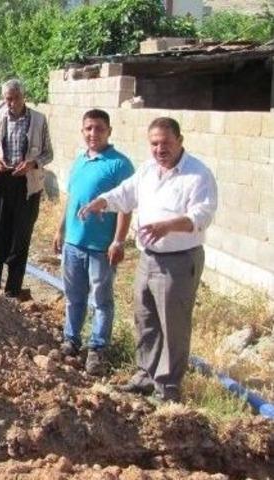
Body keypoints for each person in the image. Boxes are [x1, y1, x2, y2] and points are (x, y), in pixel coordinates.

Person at [78, 117, 218, 402]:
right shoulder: (147, 171)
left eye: (165, 143)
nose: (159, 149)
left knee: (173, 325)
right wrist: (100, 202)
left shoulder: (198, 174)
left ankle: (167, 388)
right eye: (154, 143)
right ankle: (144, 375)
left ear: (180, 140)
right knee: (145, 319)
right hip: (148, 257)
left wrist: (168, 225)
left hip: (178, 261)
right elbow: (124, 194)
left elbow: (202, 215)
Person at [53, 109, 134, 376]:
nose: (93, 134)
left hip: (101, 248)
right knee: (74, 297)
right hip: (74, 244)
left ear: (109, 131)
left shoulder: (119, 165)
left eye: (99, 128)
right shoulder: (79, 162)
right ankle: (71, 340)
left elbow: (126, 206)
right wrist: (61, 230)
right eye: (88, 128)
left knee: (101, 300)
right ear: (82, 131)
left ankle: (97, 349)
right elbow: (71, 199)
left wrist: (118, 241)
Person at [0, 79, 53, 298]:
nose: (10, 103)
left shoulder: (39, 120)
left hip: (27, 186)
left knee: (20, 237)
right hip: (1, 183)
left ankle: (13, 291)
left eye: (14, 98)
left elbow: (48, 153)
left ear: (24, 96)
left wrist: (32, 164)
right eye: (7, 99)